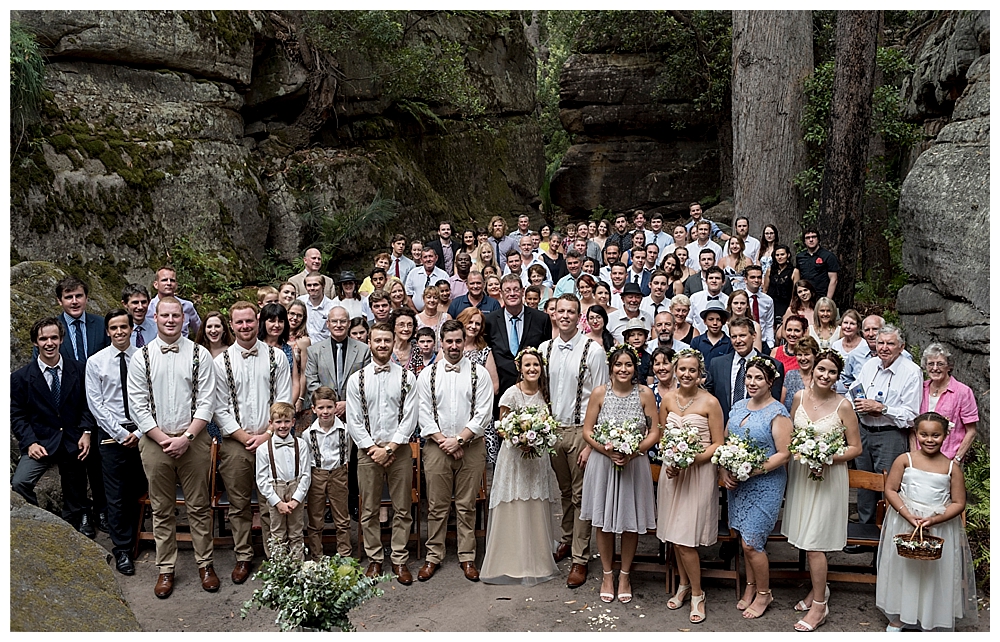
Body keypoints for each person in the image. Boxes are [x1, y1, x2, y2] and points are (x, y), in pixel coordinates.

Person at [126, 297, 218, 598]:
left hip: (193, 440)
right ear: (155, 317)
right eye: (164, 315)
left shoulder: (200, 354)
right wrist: (162, 438)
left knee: (199, 506)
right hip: (155, 442)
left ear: (184, 318)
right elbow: (137, 405)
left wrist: (186, 438)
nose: (170, 320)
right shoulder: (141, 357)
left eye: (175, 315)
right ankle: (166, 568)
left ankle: (205, 564)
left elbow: (207, 401)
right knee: (162, 508)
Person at [781, 350, 862, 632]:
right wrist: (802, 455)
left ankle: (819, 606)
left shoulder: (843, 406)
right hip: (803, 475)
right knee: (805, 537)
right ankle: (820, 588)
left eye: (832, 372)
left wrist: (827, 457)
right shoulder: (798, 398)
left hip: (829, 478)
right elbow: (792, 437)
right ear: (813, 370)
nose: (825, 376)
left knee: (815, 542)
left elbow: (856, 447)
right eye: (822, 370)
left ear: (838, 377)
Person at [875, 412, 977, 632]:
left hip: (937, 527)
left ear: (946, 435)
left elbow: (959, 502)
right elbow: (890, 489)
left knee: (933, 573)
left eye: (935, 435)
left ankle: (930, 616)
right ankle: (900, 615)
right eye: (924, 434)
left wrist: (935, 519)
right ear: (916, 434)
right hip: (905, 522)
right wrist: (906, 514)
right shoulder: (905, 460)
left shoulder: (951, 468)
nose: (929, 440)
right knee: (904, 570)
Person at [213, 301, 293, 577]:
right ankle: (243, 556)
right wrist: (244, 436)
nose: (245, 326)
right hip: (237, 442)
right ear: (231, 325)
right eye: (239, 322)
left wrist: (267, 434)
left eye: (249, 321)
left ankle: (276, 557)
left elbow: (284, 399)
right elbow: (219, 407)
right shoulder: (220, 362)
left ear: (257, 321)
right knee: (239, 504)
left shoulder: (276, 357)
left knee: (273, 502)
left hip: (273, 440)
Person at [580, 344, 660, 604]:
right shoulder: (599, 393)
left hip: (633, 465)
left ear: (635, 368)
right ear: (611, 368)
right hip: (604, 463)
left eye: (628, 365)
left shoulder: (645, 394)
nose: (623, 369)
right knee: (603, 521)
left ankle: (624, 575)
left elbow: (654, 432)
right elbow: (588, 431)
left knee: (629, 520)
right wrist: (607, 451)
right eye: (618, 364)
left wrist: (633, 451)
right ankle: (607, 574)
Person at [539, 295, 609, 588]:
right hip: (553, 430)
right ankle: (567, 539)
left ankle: (580, 558)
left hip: (582, 431)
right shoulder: (545, 349)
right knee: (564, 491)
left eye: (571, 311)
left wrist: (592, 444)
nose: (565, 315)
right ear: (554, 315)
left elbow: (602, 396)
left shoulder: (594, 350)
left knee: (581, 495)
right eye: (561, 311)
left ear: (579, 316)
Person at [417, 320, 495, 582]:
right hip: (437, 447)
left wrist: (459, 440)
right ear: (441, 343)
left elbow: (484, 412)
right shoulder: (427, 375)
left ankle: (467, 556)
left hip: (471, 447)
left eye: (458, 341)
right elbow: (423, 412)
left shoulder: (478, 373)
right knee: (436, 506)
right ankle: (433, 556)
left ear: (464, 342)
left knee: (466, 505)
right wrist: (445, 442)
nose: (453, 346)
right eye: (449, 341)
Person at [481, 348, 561, 586]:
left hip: (537, 460)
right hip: (515, 459)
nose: (532, 369)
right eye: (527, 365)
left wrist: (537, 439)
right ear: (520, 368)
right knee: (515, 502)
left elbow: (549, 423)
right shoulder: (511, 394)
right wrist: (519, 439)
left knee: (535, 503)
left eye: (535, 365)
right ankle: (512, 561)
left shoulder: (545, 393)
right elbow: (502, 427)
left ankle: (538, 560)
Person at [721, 357, 792, 619]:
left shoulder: (778, 412)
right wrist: (725, 470)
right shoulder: (739, 406)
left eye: (758, 378)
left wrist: (752, 469)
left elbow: (784, 453)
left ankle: (764, 593)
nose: (752, 382)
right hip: (739, 483)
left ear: (770, 381)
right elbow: (726, 440)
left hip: (765, 484)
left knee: (752, 543)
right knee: (743, 538)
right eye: (749, 377)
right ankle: (750, 586)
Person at [12, 317, 96, 538]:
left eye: (54, 338)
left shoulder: (79, 370)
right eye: (43, 339)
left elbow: (88, 404)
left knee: (75, 482)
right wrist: (30, 442)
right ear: (35, 342)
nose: (49, 343)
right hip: (41, 440)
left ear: (61, 339)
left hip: (72, 439)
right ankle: (40, 522)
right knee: (20, 482)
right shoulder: (21, 378)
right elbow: (18, 415)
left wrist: (86, 432)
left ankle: (77, 518)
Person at [658, 349, 724, 623]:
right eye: (682, 369)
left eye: (692, 370)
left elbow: (718, 443)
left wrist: (692, 459)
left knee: (686, 539)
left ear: (700, 374)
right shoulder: (667, 399)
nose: (686, 374)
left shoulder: (710, 402)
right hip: (673, 474)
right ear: (676, 371)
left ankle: (698, 593)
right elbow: (663, 437)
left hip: (698, 474)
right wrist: (671, 461)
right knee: (675, 535)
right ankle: (683, 584)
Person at [85, 309, 149, 573]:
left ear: (131, 328)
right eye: (114, 328)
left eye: (124, 326)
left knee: (140, 489)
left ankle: (139, 537)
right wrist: (121, 434)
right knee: (116, 494)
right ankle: (122, 548)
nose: (120, 332)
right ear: (108, 331)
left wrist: (140, 432)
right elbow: (96, 404)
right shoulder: (96, 362)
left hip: (144, 431)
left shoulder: (144, 357)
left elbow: (152, 397)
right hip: (112, 435)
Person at [53, 276, 111, 532]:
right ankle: (82, 511)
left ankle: (103, 510)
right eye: (68, 297)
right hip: (69, 408)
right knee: (74, 462)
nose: (74, 301)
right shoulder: (52, 329)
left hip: (102, 404)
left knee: (100, 460)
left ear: (86, 298)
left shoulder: (100, 325)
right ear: (60, 301)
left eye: (78, 296)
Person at [852, 325, 922, 527]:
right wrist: (858, 404)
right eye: (880, 342)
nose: (884, 347)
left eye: (890, 343)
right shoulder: (870, 365)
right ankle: (864, 529)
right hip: (864, 431)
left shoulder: (911, 372)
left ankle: (888, 532)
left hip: (890, 435)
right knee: (864, 484)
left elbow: (912, 416)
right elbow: (854, 391)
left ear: (901, 347)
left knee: (889, 485)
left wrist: (883, 409)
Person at [300, 387, 352, 560]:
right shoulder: (308, 434)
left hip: (339, 473)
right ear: (314, 409)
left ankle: (344, 554)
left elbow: (348, 452)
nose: (325, 411)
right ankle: (317, 556)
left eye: (329, 407)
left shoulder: (346, 430)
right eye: (321, 407)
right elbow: (306, 458)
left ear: (336, 407)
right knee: (315, 517)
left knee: (342, 517)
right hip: (317, 474)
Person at [255, 402, 311, 560]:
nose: (283, 426)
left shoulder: (301, 445)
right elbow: (261, 480)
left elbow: (306, 475)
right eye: (278, 422)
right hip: (275, 492)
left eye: (287, 421)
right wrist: (277, 502)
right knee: (277, 533)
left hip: (296, 490)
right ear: (271, 423)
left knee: (296, 531)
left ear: (293, 422)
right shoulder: (263, 449)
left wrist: (296, 499)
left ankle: (297, 565)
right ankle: (280, 566)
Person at [706, 317, 783, 424]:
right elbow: (709, 397)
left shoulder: (773, 365)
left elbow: (773, 401)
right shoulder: (717, 364)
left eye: (742, 335)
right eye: (734, 337)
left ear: (754, 336)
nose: (738, 341)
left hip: (758, 426)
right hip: (722, 426)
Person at [484, 275, 551, 397]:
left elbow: (546, 354)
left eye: (516, 289)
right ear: (501, 293)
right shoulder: (490, 321)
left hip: (533, 390)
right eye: (507, 290)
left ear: (523, 291)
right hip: (501, 390)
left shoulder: (541, 319)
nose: (512, 294)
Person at [919, 344, 979, 462]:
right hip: (920, 458)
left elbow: (971, 431)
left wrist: (957, 459)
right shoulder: (920, 389)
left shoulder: (963, 392)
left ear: (949, 366)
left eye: (940, 364)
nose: (935, 368)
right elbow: (912, 428)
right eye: (930, 364)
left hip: (948, 459)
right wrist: (913, 455)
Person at [457, 306, 501, 458]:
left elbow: (495, 387)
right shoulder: (451, 348)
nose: (473, 326)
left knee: (482, 464)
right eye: (470, 322)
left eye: (477, 324)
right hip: (455, 414)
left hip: (480, 415)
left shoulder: (485, 351)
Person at [260, 303, 302, 405]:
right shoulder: (256, 347)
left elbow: (295, 383)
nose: (277, 325)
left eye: (281, 321)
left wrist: (286, 407)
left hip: (283, 405)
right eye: (272, 321)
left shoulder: (287, 350)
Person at [146, 266, 202, 338]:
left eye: (172, 280)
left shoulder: (187, 306)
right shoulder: (148, 308)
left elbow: (201, 332)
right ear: (156, 284)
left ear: (176, 285)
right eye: (164, 280)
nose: (169, 283)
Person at [792, 228, 840, 300]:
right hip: (805, 297)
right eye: (808, 238)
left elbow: (834, 280)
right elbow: (797, 278)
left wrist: (827, 300)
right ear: (804, 241)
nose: (811, 240)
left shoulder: (828, 256)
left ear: (818, 239)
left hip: (821, 297)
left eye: (813, 237)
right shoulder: (800, 257)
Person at [286, 300, 312, 418]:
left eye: (299, 315)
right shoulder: (277, 337)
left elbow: (304, 371)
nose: (295, 318)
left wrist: (300, 398)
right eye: (292, 313)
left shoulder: (304, 341)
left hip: (295, 389)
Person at [405, 247, 450, 312]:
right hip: (415, 313)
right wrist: (416, 314)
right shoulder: (413, 273)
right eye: (425, 257)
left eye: (431, 256)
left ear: (436, 258)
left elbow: (447, 297)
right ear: (421, 260)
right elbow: (408, 295)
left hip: (437, 313)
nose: (428, 259)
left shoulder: (443, 275)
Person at [743, 265, 775, 352]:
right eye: (752, 277)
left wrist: (770, 344)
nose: (756, 280)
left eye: (759, 277)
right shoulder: (739, 299)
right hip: (744, 342)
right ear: (745, 279)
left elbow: (769, 324)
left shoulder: (768, 300)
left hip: (763, 342)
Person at [782, 335, 818, 412]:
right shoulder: (790, 375)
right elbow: (782, 405)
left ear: (814, 356)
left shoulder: (820, 378)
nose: (803, 358)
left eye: (806, 354)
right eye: (799, 355)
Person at [689, 267, 729, 335]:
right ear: (706, 281)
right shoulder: (694, 298)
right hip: (698, 338)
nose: (714, 281)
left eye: (717, 278)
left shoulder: (728, 300)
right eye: (711, 278)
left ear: (723, 282)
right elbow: (688, 320)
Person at [298, 272, 335, 342]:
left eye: (315, 285)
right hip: (302, 345)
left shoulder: (332, 307)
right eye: (309, 285)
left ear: (323, 285)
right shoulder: (300, 302)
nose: (312, 288)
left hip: (323, 345)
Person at [763, 244, 794, 321]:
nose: (779, 257)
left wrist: (790, 309)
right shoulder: (770, 270)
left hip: (785, 304)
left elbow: (794, 293)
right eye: (777, 255)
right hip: (771, 304)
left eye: (782, 254)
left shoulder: (794, 271)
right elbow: (765, 289)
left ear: (788, 255)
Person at [122, 283, 157, 349]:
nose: (140, 307)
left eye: (143, 302)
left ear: (149, 302)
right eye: (135, 302)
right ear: (125, 304)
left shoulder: (157, 329)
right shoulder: (119, 330)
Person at [623, 318, 653, 384]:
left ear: (645, 337)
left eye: (640, 334)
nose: (636, 338)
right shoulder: (621, 356)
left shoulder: (649, 357)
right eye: (632, 335)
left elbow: (650, 382)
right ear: (627, 339)